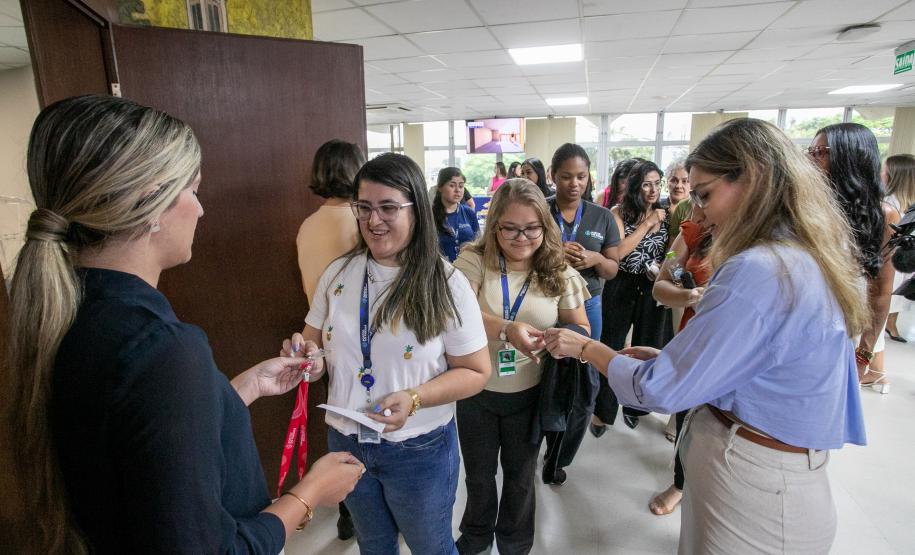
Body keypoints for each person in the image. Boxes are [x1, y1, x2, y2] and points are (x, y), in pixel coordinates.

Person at [3, 95, 364, 554]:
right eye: (192, 190)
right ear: (148, 201)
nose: (200, 210)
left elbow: (137, 447)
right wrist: (311, 493)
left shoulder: (74, 310)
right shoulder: (160, 348)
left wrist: (235, 393)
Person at [544, 117, 868, 554]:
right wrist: (674, 358)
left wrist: (588, 348)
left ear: (751, 178)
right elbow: (759, 361)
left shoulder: (757, 270)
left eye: (705, 195)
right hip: (775, 472)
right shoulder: (805, 254)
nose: (701, 212)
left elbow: (660, 389)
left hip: (756, 484)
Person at [282, 153, 491, 554]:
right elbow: (314, 344)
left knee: (430, 546)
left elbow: (477, 371)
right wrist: (307, 360)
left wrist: (414, 398)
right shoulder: (339, 273)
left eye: (389, 208)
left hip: (418, 447)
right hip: (347, 440)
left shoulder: (446, 283)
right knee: (374, 546)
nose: (373, 221)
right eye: (364, 208)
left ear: (415, 209)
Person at [452, 178, 590, 555]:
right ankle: (477, 534)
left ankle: (514, 542)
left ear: (545, 228)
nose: (521, 238)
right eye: (509, 228)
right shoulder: (472, 259)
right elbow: (458, 314)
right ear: (494, 224)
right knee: (479, 477)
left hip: (530, 395)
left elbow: (581, 327)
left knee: (519, 477)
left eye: (532, 228)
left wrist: (560, 337)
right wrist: (507, 329)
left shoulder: (557, 268)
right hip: (476, 392)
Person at [295, 138, 365, 540]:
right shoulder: (360, 222)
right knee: (364, 423)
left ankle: (346, 510)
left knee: (338, 420)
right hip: (360, 342)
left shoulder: (307, 226)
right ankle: (361, 504)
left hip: (319, 340)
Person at [542, 143, 620, 485]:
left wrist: (595, 260)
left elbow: (613, 268)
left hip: (588, 304)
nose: (575, 183)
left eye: (582, 176)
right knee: (544, 376)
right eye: (566, 176)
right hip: (543, 302)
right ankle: (541, 437)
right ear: (552, 176)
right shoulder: (539, 211)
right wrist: (554, 252)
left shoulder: (602, 216)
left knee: (580, 381)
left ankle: (560, 454)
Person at [810, 123, 898, 394]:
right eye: (810, 151)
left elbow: (881, 291)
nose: (811, 159)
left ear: (850, 157)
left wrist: (865, 354)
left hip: (839, 334)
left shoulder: (882, 216)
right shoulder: (804, 206)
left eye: (820, 152)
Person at [592, 160, 671, 433]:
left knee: (645, 347)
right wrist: (646, 224)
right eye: (647, 184)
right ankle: (603, 409)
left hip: (652, 286)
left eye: (657, 184)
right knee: (612, 345)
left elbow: (670, 251)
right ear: (635, 186)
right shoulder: (617, 213)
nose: (653, 190)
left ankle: (637, 406)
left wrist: (664, 267)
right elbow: (619, 253)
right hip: (622, 284)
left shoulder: (666, 214)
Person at [648, 201, 713, 517]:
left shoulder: (761, 238)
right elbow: (665, 277)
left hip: (736, 351)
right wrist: (689, 294)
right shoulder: (691, 234)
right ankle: (680, 482)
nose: (697, 207)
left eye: (706, 195)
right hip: (694, 340)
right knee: (689, 418)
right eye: (697, 196)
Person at [883, 153, 915, 342]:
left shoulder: (904, 205)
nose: (880, 175)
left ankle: (891, 324)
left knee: (898, 295)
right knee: (889, 294)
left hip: (904, 260)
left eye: (884, 171)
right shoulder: (888, 204)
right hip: (890, 260)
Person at [433, 167, 480, 262]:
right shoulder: (430, 215)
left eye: (461, 186)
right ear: (440, 187)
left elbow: (478, 242)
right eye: (452, 185)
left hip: (467, 269)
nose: (458, 190)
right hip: (441, 270)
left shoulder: (469, 212)